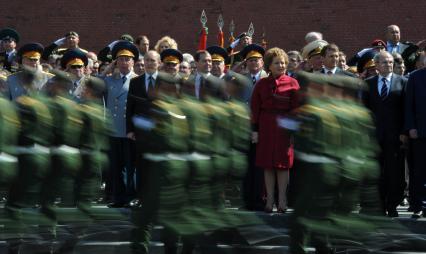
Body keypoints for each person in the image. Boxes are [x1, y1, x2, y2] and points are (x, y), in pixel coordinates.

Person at [250, 47, 300, 213]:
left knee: (283, 164)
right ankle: (269, 199)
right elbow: (255, 108)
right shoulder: (261, 84)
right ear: (269, 66)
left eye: (284, 63)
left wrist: (292, 129)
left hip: (284, 128)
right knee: (268, 164)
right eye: (277, 63)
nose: (281, 65)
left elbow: (297, 108)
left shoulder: (293, 83)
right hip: (265, 127)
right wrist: (255, 130)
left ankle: (282, 199)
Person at [363, 51, 407, 217]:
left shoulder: (403, 82)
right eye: (384, 62)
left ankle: (393, 204)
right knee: (377, 172)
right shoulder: (369, 84)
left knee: (395, 172)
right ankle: (379, 205)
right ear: (376, 65)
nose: (388, 65)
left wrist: (405, 131)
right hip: (375, 136)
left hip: (396, 136)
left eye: (390, 62)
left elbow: (406, 110)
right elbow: (365, 111)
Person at [103, 41, 139, 207]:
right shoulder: (110, 80)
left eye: (127, 59)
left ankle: (130, 197)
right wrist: (107, 69)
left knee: (130, 166)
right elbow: (94, 82)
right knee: (115, 167)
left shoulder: (137, 81)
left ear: (133, 62)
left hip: (129, 130)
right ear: (116, 62)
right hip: (114, 129)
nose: (124, 62)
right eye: (121, 59)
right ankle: (118, 198)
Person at [126, 50, 161, 208]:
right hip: (141, 134)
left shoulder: (166, 81)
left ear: (159, 63)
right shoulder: (135, 82)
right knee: (142, 167)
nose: (149, 63)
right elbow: (130, 108)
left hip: (161, 134)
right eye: (147, 60)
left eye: (153, 61)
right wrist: (130, 130)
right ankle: (142, 198)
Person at [404, 56, 426, 218]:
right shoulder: (415, 77)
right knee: (418, 171)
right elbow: (408, 105)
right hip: (420, 133)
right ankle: (417, 205)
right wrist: (411, 127)